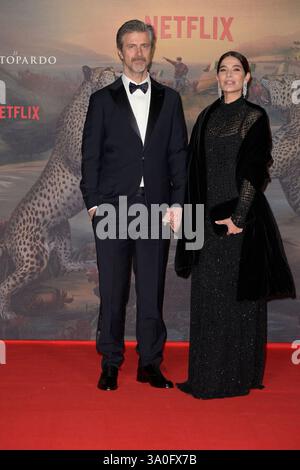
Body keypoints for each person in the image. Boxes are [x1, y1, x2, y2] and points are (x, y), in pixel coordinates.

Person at [175, 51, 296, 399]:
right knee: (207, 296)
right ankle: (206, 374)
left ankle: (234, 376)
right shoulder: (207, 116)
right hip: (205, 219)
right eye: (224, 70)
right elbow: (193, 170)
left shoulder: (254, 117)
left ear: (247, 78)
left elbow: (255, 168)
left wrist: (238, 217)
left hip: (236, 220)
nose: (229, 76)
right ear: (217, 77)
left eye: (236, 70)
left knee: (236, 295)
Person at [80, 20, 187, 391]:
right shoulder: (101, 101)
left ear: (151, 50)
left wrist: (177, 205)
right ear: (120, 52)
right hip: (111, 208)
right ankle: (110, 361)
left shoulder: (170, 100)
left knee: (151, 290)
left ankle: (150, 363)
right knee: (112, 291)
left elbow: (178, 157)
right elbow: (89, 158)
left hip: (156, 209)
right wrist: (93, 206)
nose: (139, 53)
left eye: (144, 46)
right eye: (131, 46)